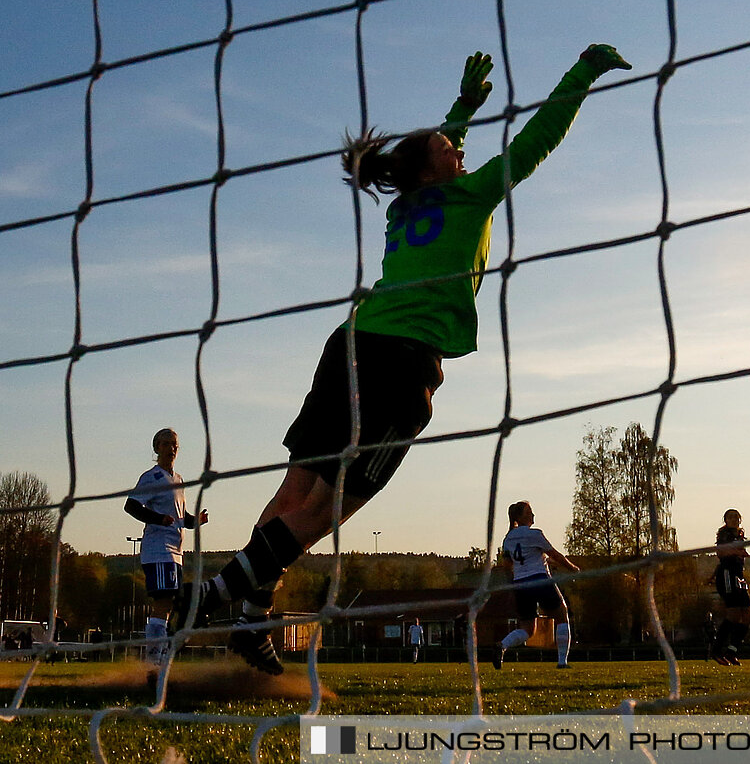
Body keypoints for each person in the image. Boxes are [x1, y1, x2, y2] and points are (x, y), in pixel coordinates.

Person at [186, 44, 631, 674]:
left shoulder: (404, 206)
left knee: (294, 493)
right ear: (435, 171)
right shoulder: (470, 196)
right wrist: (581, 72)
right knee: (323, 514)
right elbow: (536, 141)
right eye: (452, 152)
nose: (461, 152)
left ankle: (249, 617)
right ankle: (215, 595)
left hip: (350, 344)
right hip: (403, 366)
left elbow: (431, 150)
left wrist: (463, 109)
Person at [124, 428, 208, 666]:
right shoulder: (152, 477)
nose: (172, 449)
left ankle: (159, 653)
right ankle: (154, 658)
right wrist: (157, 518)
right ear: (156, 447)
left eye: (175, 445)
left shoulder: (178, 479)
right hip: (158, 548)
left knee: (170, 602)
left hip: (176, 551)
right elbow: (131, 506)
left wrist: (195, 521)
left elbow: (179, 517)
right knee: (163, 600)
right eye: (166, 444)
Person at [492, 501, 578, 669]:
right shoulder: (535, 534)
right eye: (529, 512)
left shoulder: (508, 539)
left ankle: (502, 645)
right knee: (562, 614)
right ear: (520, 517)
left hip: (520, 584)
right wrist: (573, 568)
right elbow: (556, 555)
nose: (533, 514)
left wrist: (512, 586)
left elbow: (507, 566)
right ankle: (562, 662)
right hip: (539, 579)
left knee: (528, 629)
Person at [711, 510, 750, 665]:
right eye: (730, 517)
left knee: (749, 615)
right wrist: (737, 551)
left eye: (736, 517)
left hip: (738, 576)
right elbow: (721, 553)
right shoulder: (725, 535)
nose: (734, 519)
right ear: (725, 520)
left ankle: (731, 651)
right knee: (734, 614)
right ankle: (716, 651)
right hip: (727, 575)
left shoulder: (739, 536)